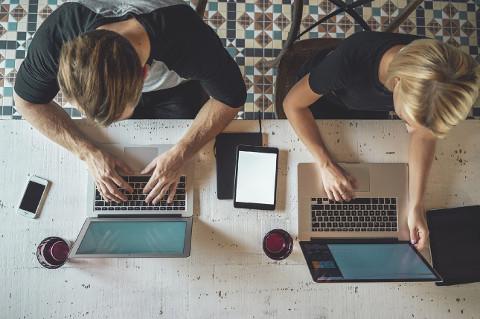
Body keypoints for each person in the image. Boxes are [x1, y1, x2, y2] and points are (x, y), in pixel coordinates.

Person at [13, 0, 246, 205]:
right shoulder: (58, 36)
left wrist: (182, 152)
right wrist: (86, 152)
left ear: (144, 76)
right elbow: (27, 102)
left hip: (176, 90)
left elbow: (231, 99)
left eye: (117, 116)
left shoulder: (189, 39)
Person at [283, 31, 479, 249]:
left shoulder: (436, 76)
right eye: (408, 120)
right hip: (322, 100)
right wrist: (325, 164)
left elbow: (423, 136)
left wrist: (415, 205)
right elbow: (292, 104)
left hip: (363, 108)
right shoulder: (350, 61)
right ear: (396, 82)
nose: (410, 129)